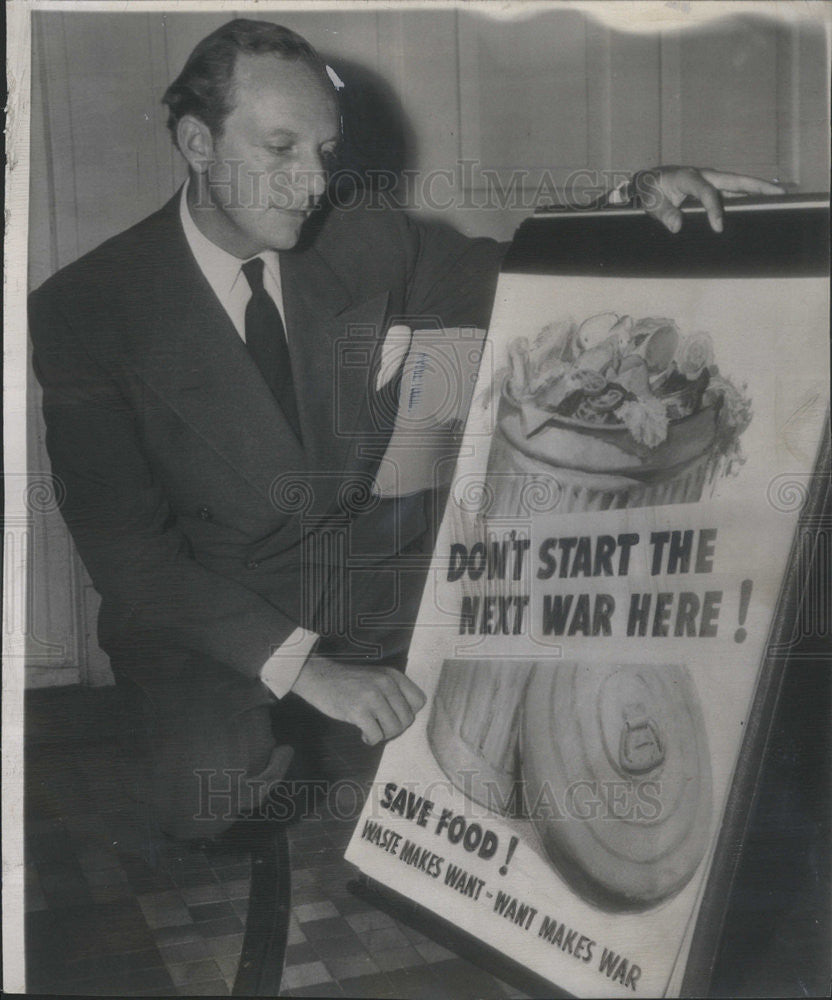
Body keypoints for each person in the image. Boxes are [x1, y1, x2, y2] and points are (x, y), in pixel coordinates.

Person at [28, 18, 782, 844]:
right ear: (198, 142)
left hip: (363, 568)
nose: (312, 182)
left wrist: (636, 206)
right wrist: (309, 670)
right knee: (208, 797)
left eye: (324, 150)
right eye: (281, 149)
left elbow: (519, 273)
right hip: (212, 603)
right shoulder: (85, 311)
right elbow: (132, 560)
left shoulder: (363, 235)